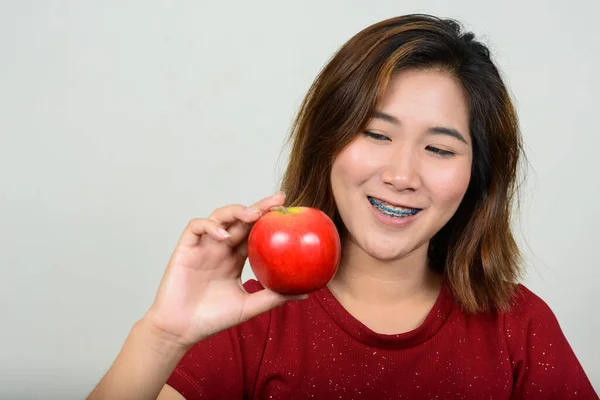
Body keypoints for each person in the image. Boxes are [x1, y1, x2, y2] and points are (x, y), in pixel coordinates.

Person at [87, 14, 598, 399]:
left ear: (476, 175)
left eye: (439, 148)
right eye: (375, 133)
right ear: (327, 143)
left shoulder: (518, 326)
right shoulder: (246, 320)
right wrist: (162, 334)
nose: (401, 175)